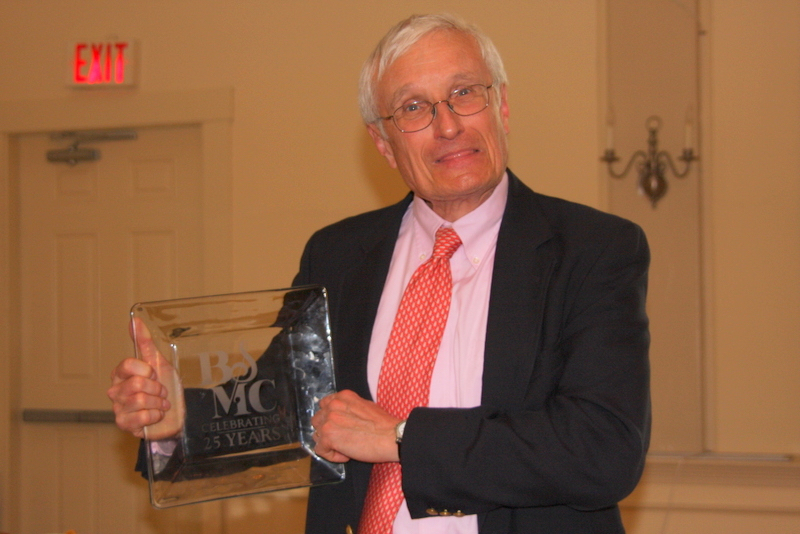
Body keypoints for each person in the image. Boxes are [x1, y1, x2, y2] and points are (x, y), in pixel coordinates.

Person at [108, 13, 650, 534]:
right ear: (384, 144)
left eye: (465, 93)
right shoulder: (338, 255)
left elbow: (603, 449)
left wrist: (401, 438)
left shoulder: (592, 250)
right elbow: (283, 406)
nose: (448, 125)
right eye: (414, 107)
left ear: (501, 106)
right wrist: (180, 419)